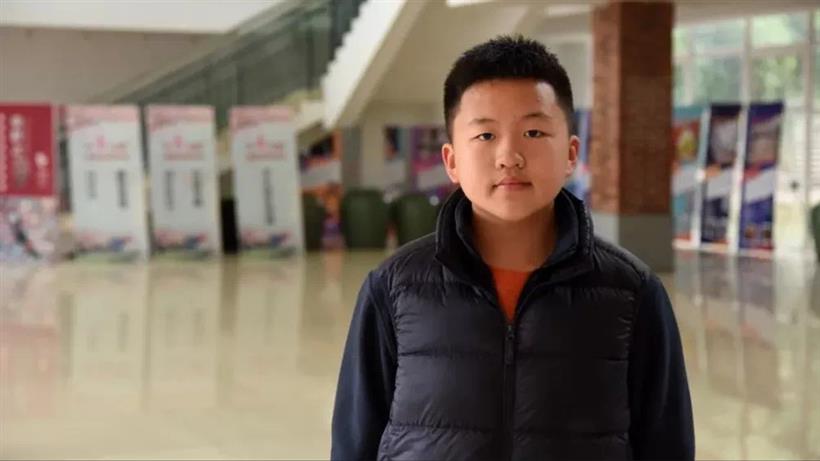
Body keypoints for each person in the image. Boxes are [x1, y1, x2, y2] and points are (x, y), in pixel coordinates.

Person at [331, 35, 694, 460]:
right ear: (451, 160)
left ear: (571, 153)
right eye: (485, 135)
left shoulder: (633, 293)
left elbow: (667, 446)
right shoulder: (393, 289)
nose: (509, 157)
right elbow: (354, 445)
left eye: (533, 132)